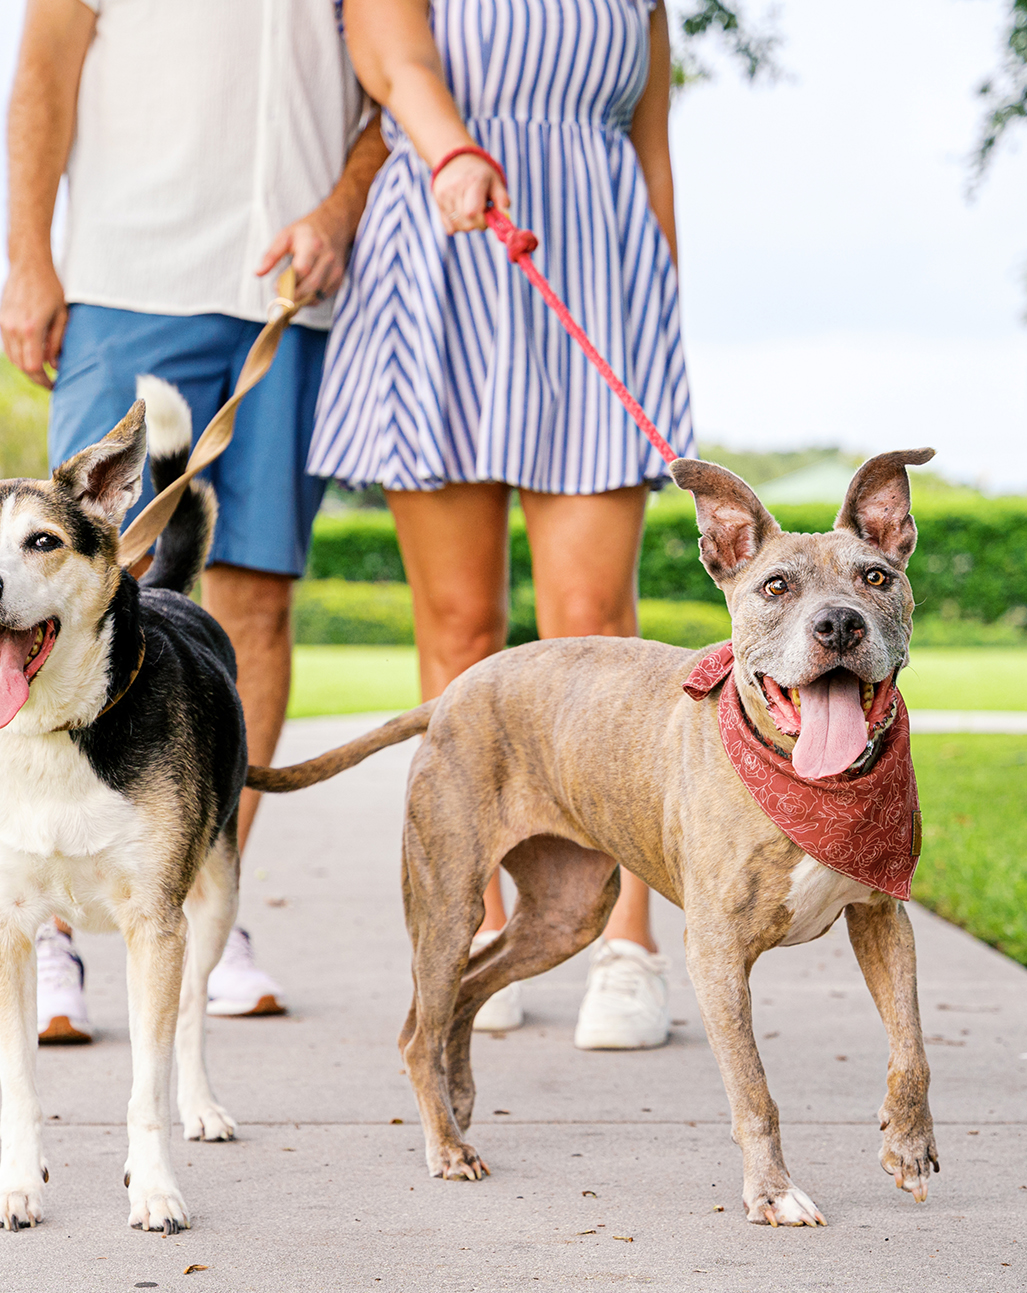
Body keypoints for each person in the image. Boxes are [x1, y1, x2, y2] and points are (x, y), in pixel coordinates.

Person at [0, 0, 390, 1041]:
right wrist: (28, 255)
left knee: (254, 599)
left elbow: (383, 99)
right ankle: (50, 932)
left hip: (288, 301)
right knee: (79, 591)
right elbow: (43, 71)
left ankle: (206, 900)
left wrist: (342, 208)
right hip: (129, 280)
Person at [312, 0, 695, 1049]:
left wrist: (656, 300)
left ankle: (628, 941)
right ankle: (482, 930)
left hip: (592, 264)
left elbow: (648, 145)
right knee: (458, 628)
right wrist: (450, 151)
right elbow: (388, 56)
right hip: (440, 255)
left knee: (596, 628)